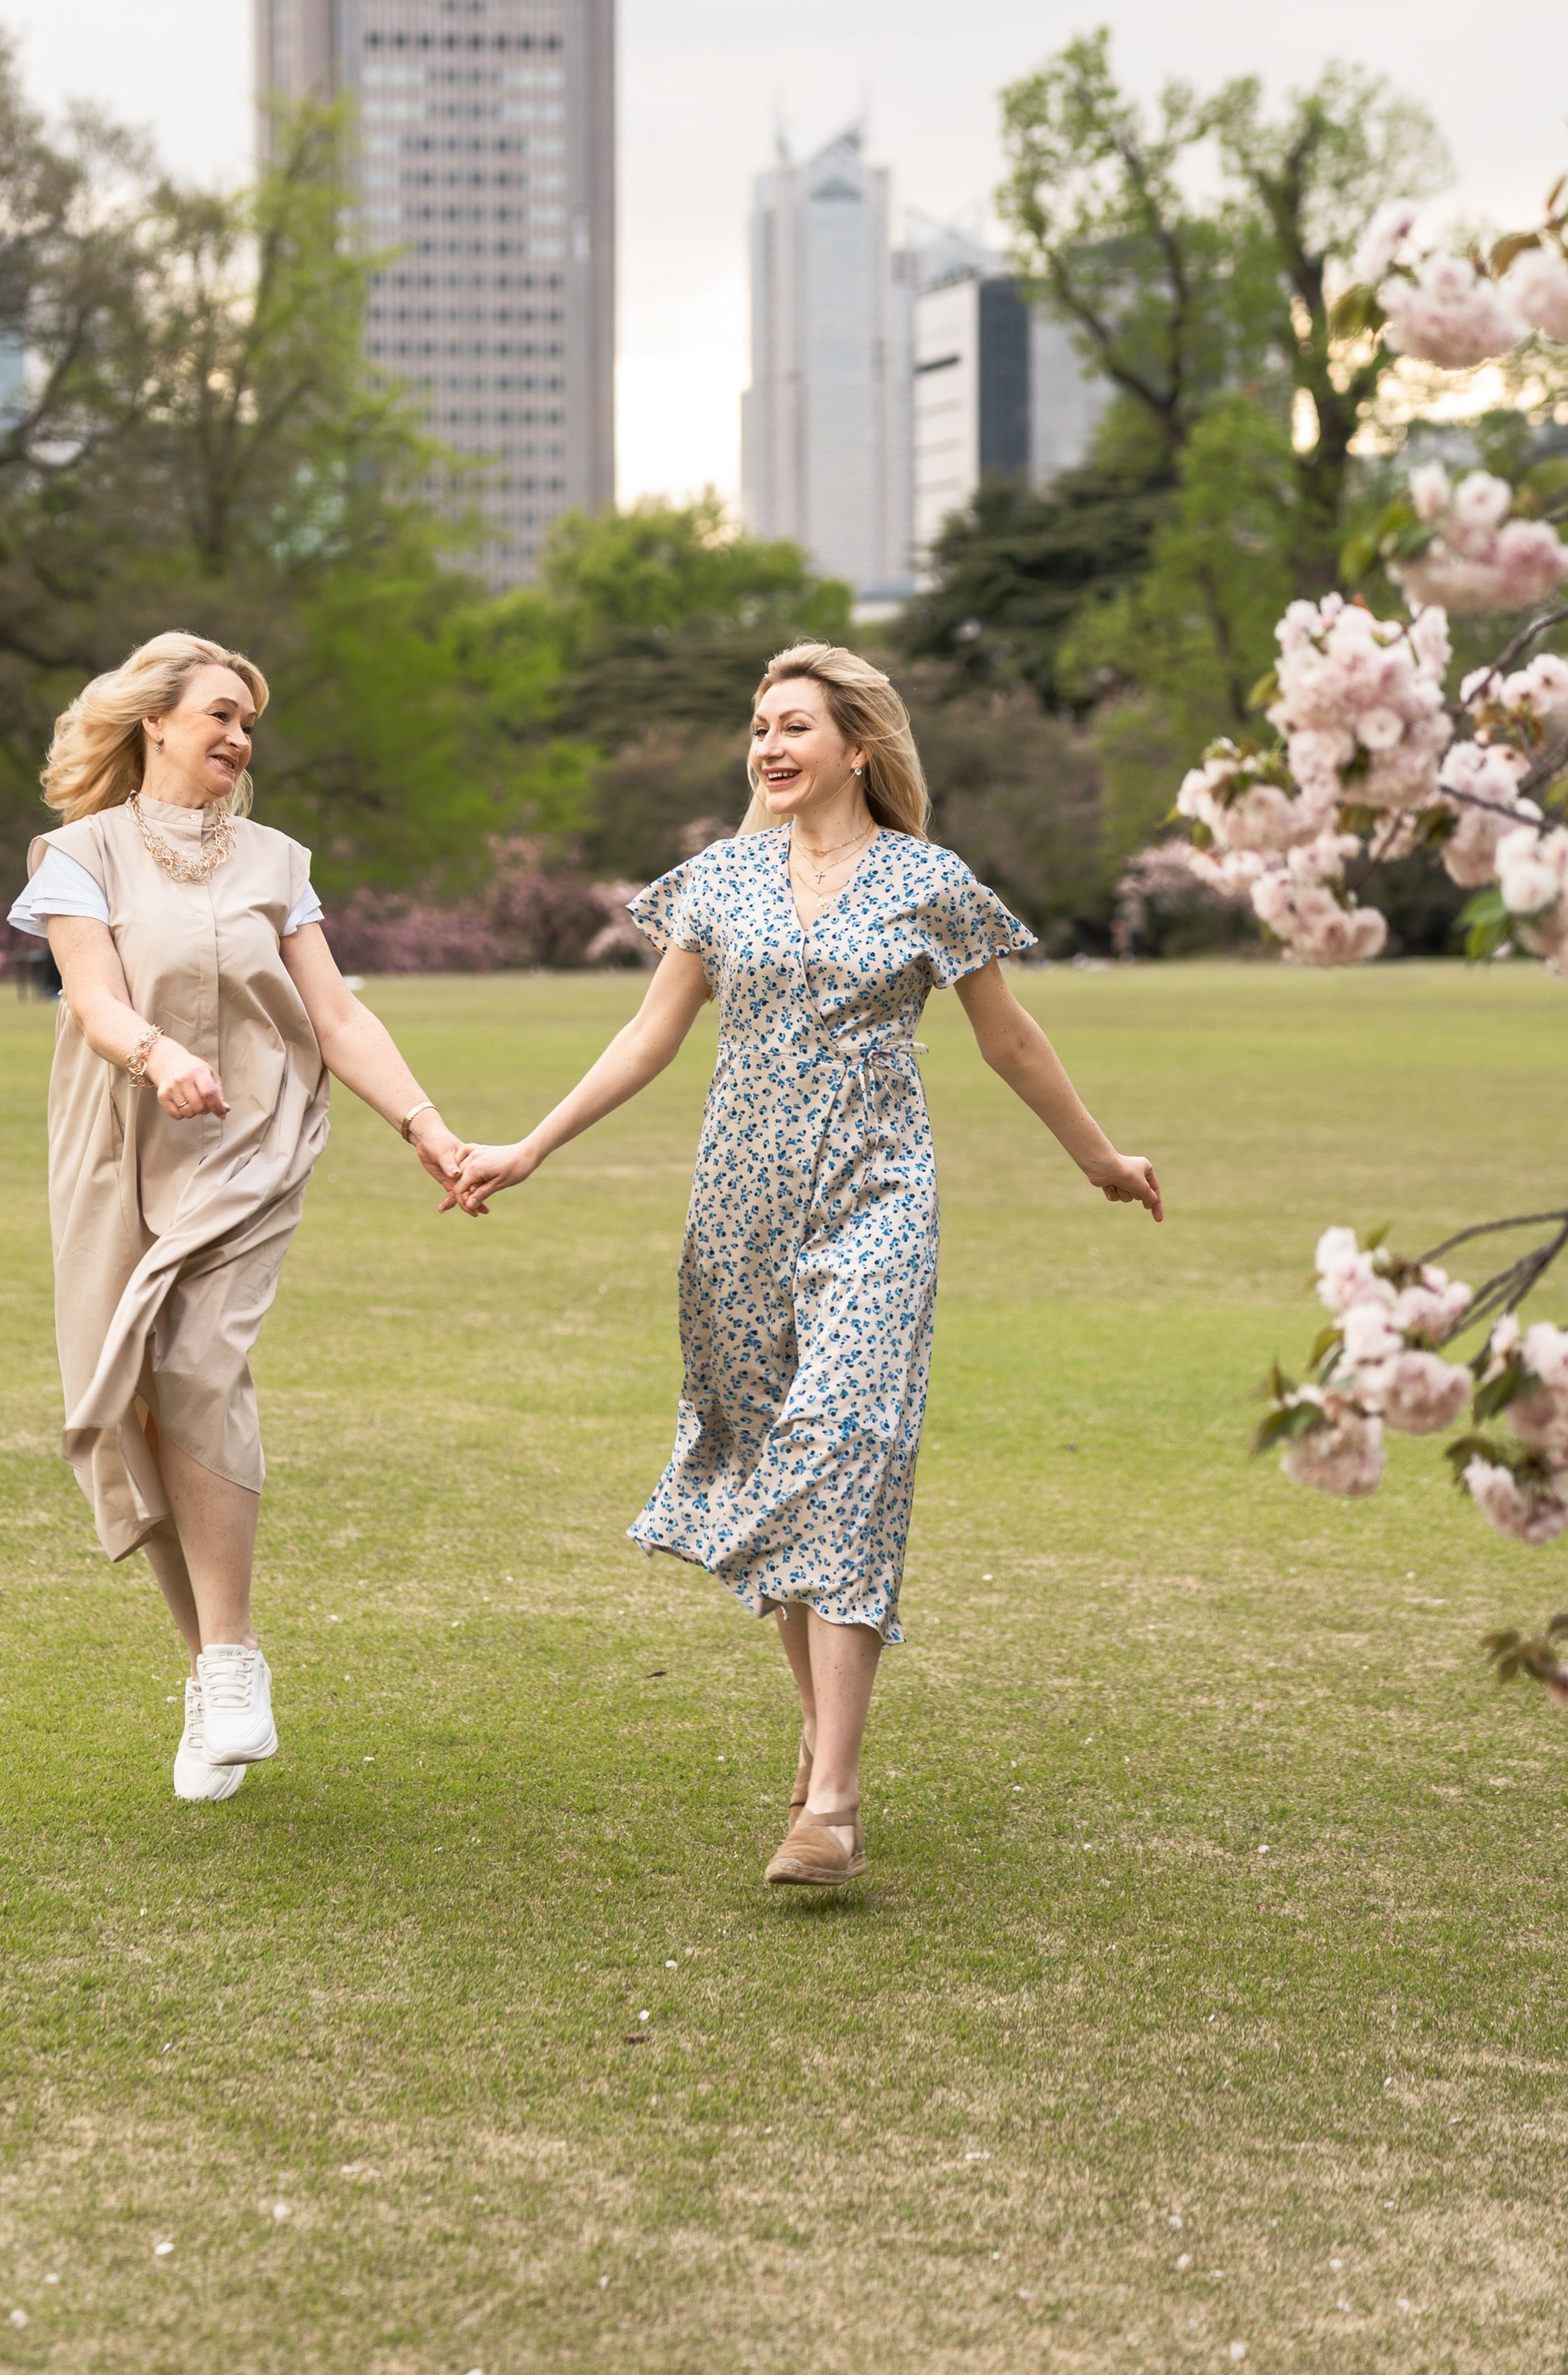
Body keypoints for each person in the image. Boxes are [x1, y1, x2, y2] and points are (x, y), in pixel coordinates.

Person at [452, 641, 1161, 1888]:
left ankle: (830, 1802)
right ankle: (824, 1736)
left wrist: (1097, 1157)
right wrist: (531, 1146)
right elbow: (647, 1036)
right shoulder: (720, 880)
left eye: (793, 727)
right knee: (781, 1463)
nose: (768, 748)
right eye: (759, 728)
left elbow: (1011, 1041)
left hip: (877, 1199)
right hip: (738, 1211)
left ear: (858, 747)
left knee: (845, 1442)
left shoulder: (929, 882)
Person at [9, 632, 469, 1805]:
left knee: (200, 1361)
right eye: (219, 714)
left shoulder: (276, 863)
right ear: (153, 720)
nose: (237, 739)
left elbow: (340, 1018)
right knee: (129, 1397)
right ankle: (215, 1668)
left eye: (249, 724)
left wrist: (426, 1126)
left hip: (253, 1140)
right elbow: (95, 999)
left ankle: (228, 1658)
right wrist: (158, 1057)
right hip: (119, 1146)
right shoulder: (79, 854)